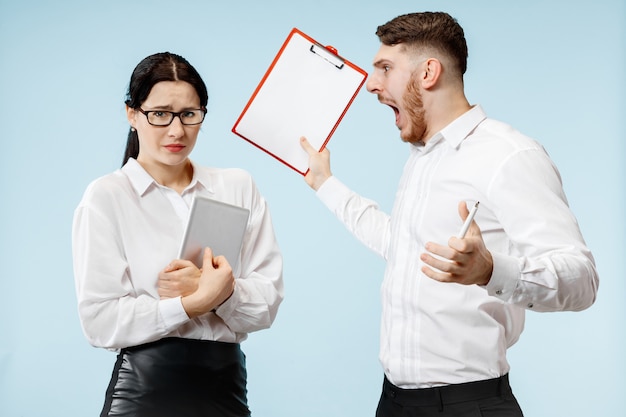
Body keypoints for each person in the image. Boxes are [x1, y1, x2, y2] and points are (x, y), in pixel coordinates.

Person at [300, 12, 598, 417]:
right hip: (393, 402)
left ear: (428, 72)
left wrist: (490, 270)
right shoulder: (422, 158)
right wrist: (325, 183)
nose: (371, 83)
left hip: (467, 404)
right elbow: (400, 245)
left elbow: (582, 278)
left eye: (385, 68)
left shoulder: (509, 155)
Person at [72, 52, 284, 417]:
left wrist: (222, 291)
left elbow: (265, 306)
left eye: (189, 114)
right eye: (160, 114)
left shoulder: (236, 186)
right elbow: (100, 321)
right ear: (132, 114)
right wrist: (193, 304)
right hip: (143, 395)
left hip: (226, 391)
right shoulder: (107, 196)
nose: (176, 130)